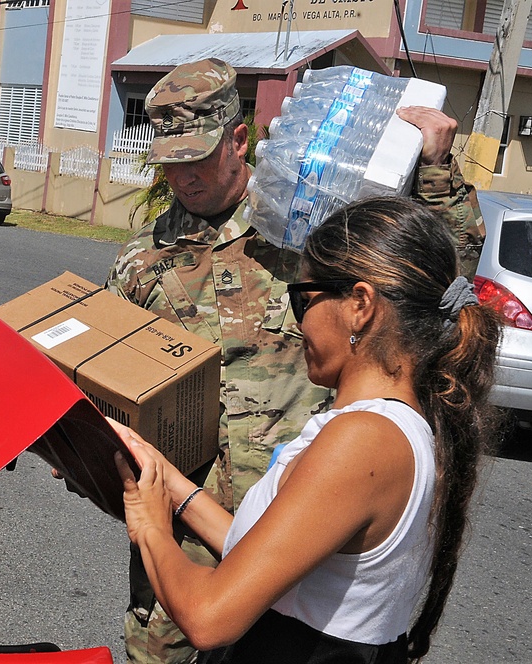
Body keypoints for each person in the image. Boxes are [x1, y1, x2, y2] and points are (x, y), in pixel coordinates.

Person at [104, 59, 486, 663]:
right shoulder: (142, 259)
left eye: (197, 156)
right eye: (169, 161)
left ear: (237, 138)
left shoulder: (307, 218)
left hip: (311, 523)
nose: (183, 176)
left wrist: (436, 170)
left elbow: (439, 280)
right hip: (191, 527)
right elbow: (114, 373)